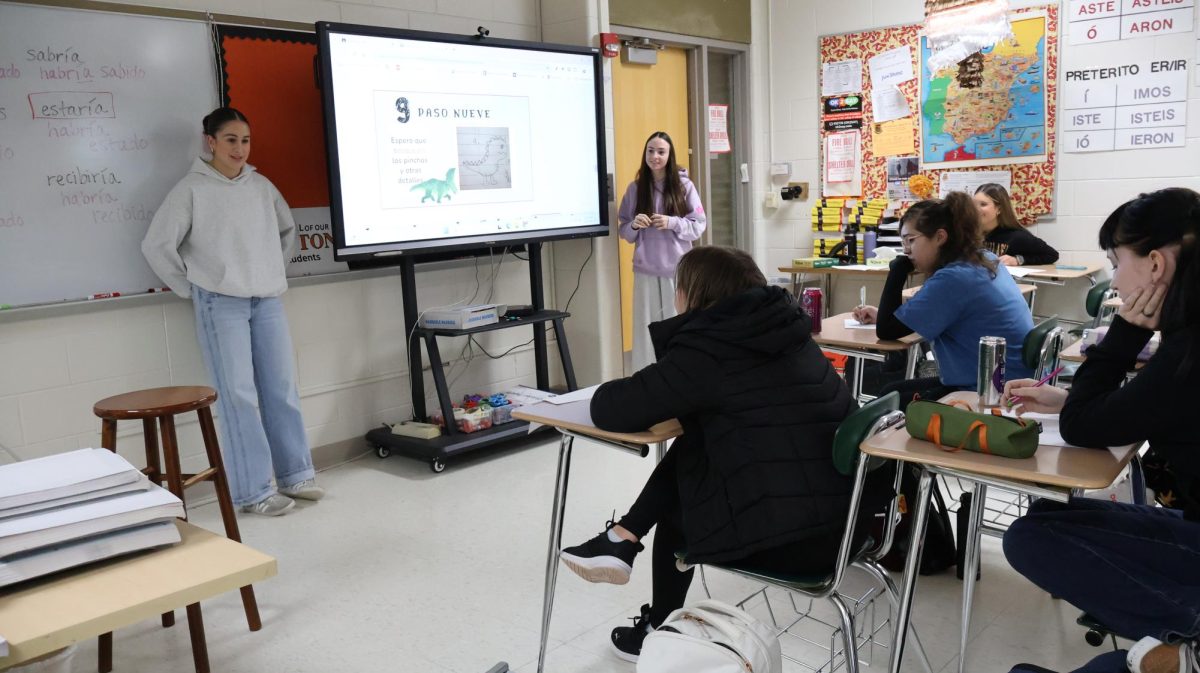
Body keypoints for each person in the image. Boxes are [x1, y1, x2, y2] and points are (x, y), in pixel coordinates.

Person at [556, 246, 859, 663]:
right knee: (701, 438)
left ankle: (652, 616)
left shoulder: (712, 347)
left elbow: (614, 407)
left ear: (691, 293)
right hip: (846, 512)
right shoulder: (785, 327)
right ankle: (622, 537)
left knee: (684, 508)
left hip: (805, 538)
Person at [1001, 188, 1200, 673]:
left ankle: (1187, 645)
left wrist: (1125, 332)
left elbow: (1083, 428)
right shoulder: (1187, 340)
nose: (1113, 277)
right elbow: (1156, 408)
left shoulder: (1187, 352)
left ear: (1155, 265)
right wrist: (1073, 399)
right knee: (1049, 519)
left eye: (1115, 261)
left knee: (1030, 538)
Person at [142, 107, 324, 517]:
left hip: (267, 299)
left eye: (245, 140)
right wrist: (194, 288)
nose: (239, 149)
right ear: (211, 142)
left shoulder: (261, 187)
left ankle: (296, 474)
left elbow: (287, 232)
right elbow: (157, 245)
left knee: (280, 388)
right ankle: (254, 491)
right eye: (230, 140)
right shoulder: (190, 190)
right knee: (239, 396)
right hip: (220, 303)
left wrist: (269, 270)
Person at [853, 192, 1035, 405]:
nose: (905, 250)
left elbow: (887, 331)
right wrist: (882, 315)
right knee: (891, 391)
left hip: (989, 389)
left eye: (911, 240)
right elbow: (917, 317)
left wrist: (897, 270)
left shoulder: (954, 277)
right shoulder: (983, 258)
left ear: (940, 237)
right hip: (1009, 378)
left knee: (890, 400)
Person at [618, 131, 706, 371]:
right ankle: (645, 381)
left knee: (675, 325)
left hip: (676, 270)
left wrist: (672, 222)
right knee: (645, 328)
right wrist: (634, 224)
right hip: (645, 269)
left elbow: (699, 225)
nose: (655, 156)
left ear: (669, 155)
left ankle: (679, 376)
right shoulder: (635, 188)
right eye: (650, 151)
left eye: (661, 151)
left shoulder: (684, 186)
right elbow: (624, 230)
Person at [974, 183, 1059, 266]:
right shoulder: (969, 234)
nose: (976, 209)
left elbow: (1052, 255)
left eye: (983, 204)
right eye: (973, 204)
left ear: (999, 209)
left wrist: (1018, 260)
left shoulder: (1016, 236)